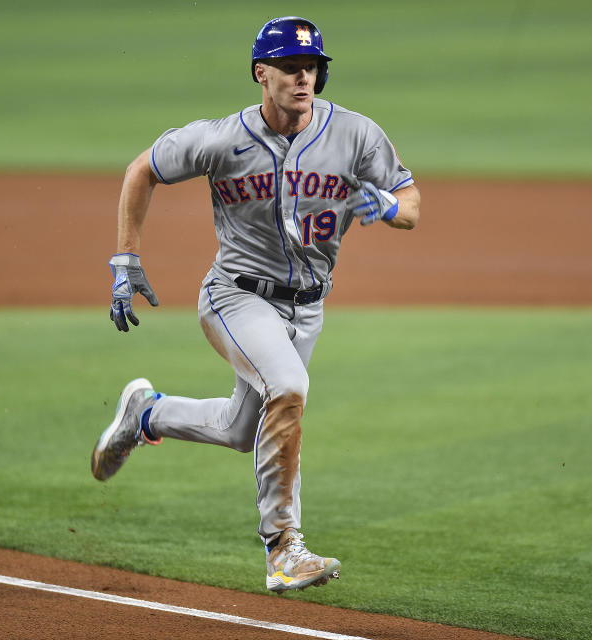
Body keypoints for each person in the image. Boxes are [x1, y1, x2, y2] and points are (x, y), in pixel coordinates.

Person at [90, 16, 420, 592]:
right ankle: (283, 549)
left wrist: (391, 209)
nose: (304, 79)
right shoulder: (223, 140)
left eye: (312, 67)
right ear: (261, 74)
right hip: (235, 298)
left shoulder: (356, 135)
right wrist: (125, 261)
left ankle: (144, 414)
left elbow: (411, 200)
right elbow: (141, 169)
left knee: (245, 428)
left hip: (308, 309)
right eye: (291, 69)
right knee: (288, 388)